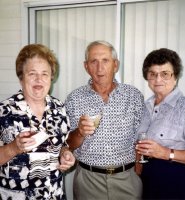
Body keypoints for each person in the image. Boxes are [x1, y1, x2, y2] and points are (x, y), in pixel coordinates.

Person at [65, 40, 144, 200]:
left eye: (105, 61)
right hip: (88, 181)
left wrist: (138, 170)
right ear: (86, 66)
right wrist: (80, 132)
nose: (100, 68)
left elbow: (141, 137)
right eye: (94, 61)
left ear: (115, 65)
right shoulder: (74, 98)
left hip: (127, 180)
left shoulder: (133, 95)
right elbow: (68, 145)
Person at [0, 44, 75, 199]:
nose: (39, 79)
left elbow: (63, 146)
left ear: (51, 78)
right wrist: (13, 148)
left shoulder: (59, 109)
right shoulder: (4, 111)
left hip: (53, 194)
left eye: (45, 74)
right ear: (21, 77)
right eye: (32, 73)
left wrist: (65, 154)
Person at [136, 48, 185, 199]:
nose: (158, 80)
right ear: (147, 77)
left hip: (178, 184)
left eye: (165, 74)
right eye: (153, 74)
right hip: (148, 182)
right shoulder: (144, 107)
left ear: (175, 76)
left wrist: (165, 153)